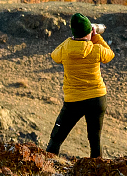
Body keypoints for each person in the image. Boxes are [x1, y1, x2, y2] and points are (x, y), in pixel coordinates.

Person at [47, 13, 114, 160]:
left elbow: (54, 55)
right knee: (95, 139)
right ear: (89, 32)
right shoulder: (96, 49)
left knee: (56, 138)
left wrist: (69, 41)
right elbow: (110, 55)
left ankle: (46, 168)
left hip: (73, 101)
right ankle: (96, 172)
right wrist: (96, 37)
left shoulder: (66, 48)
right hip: (97, 98)